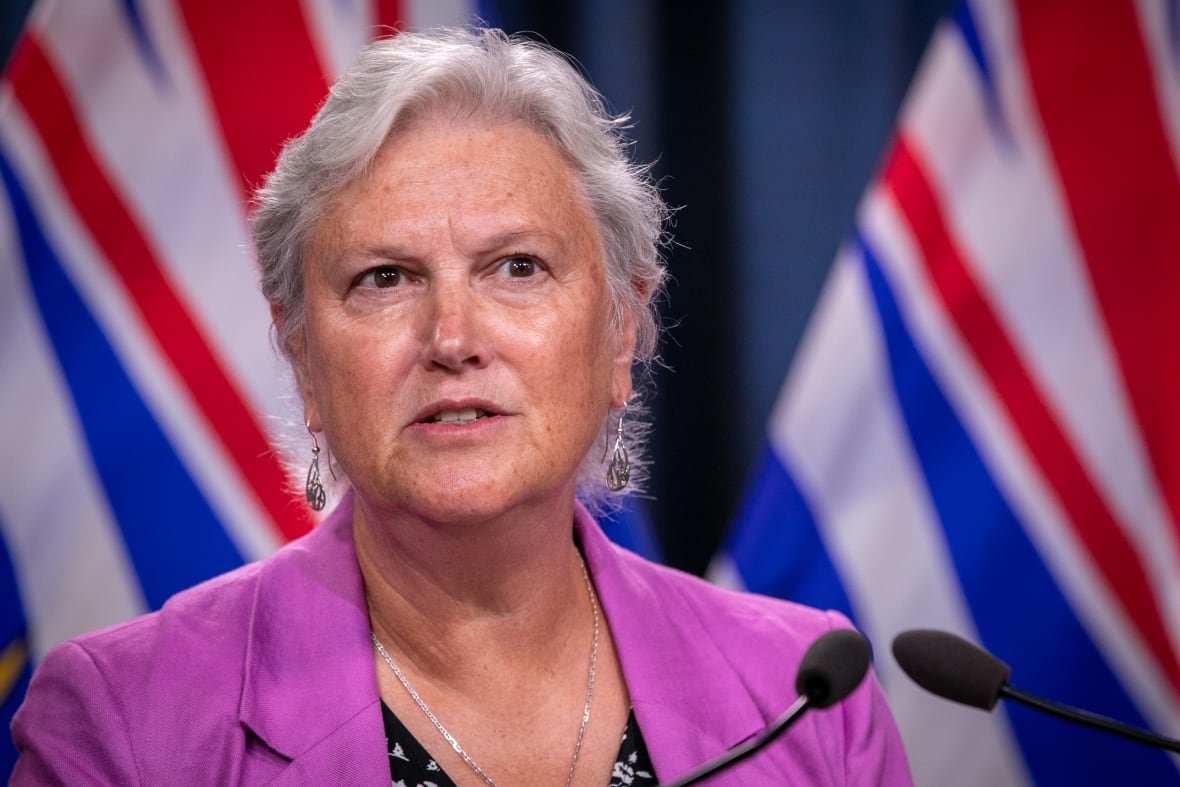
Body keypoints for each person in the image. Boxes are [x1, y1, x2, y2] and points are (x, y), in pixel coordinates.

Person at [10, 27, 912, 785]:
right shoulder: (123, 723)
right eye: (385, 278)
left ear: (621, 335)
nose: (452, 336)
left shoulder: (806, 698)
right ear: (305, 362)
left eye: (517, 267)